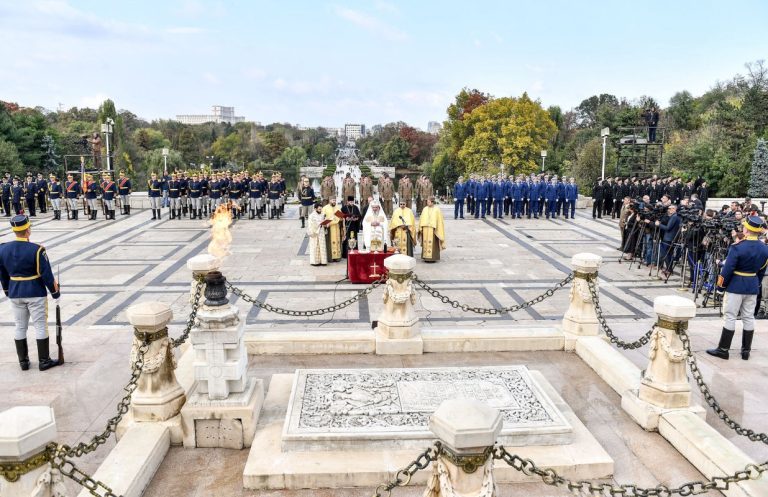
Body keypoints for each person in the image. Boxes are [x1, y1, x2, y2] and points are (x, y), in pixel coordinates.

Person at [0, 215, 61, 371]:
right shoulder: (37, 250)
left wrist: (7, 290)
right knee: (40, 326)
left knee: (20, 326)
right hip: (35, 291)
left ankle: (24, 362)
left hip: (15, 292)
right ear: (28, 230)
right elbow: (46, 275)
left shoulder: (3, 249)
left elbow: (3, 274)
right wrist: (55, 292)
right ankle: (44, 361)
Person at [707, 215, 768, 360]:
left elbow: (727, 269)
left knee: (730, 316)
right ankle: (746, 351)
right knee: (748, 317)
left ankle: (723, 349)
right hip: (752, 285)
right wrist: (756, 283)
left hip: (736, 285)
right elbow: (761, 270)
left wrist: (721, 287)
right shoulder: (765, 249)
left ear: (746, 229)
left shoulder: (737, 247)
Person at [656, 204, 681, 277]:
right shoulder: (676, 216)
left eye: (670, 208)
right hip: (671, 238)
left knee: (667, 255)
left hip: (668, 238)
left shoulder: (674, 217)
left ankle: (669, 270)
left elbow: (668, 228)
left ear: (674, 209)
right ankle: (669, 269)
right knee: (669, 255)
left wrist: (659, 224)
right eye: (668, 208)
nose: (668, 210)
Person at [418, 197, 446, 263]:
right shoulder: (425, 209)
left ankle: (433, 258)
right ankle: (425, 257)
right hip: (425, 229)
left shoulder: (437, 210)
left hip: (433, 230)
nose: (427, 203)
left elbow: (439, 221)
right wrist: (421, 227)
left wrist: (436, 227)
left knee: (433, 244)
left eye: (428, 202)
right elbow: (421, 218)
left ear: (432, 202)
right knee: (425, 243)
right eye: (427, 202)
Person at [321, 197, 343, 262]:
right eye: (333, 200)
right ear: (329, 200)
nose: (334, 201)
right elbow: (322, 218)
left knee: (338, 241)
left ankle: (337, 257)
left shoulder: (337, 208)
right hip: (329, 227)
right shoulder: (325, 208)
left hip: (336, 227)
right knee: (329, 242)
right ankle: (330, 257)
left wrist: (340, 219)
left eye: (335, 200)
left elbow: (341, 217)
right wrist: (328, 222)